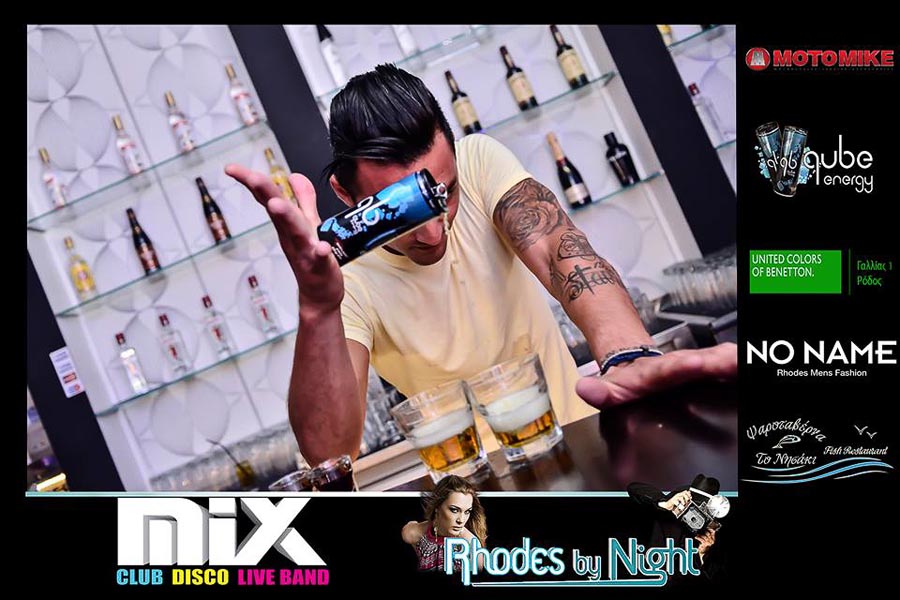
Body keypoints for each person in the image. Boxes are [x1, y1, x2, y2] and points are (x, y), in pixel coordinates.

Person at [225, 64, 737, 465]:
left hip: (586, 446)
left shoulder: (477, 162)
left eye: (443, 195)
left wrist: (627, 356)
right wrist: (317, 308)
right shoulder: (348, 281)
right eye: (402, 212)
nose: (433, 232)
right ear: (345, 194)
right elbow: (329, 452)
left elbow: (559, 253)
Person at [626, 474, 726, 582]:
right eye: (693, 507)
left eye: (701, 513)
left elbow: (714, 578)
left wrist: (703, 555)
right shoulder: (665, 512)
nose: (695, 516)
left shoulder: (708, 537)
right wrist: (664, 503)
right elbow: (633, 488)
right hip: (646, 578)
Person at [401, 475, 487, 572]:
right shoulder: (412, 533)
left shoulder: (471, 543)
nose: (461, 520)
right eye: (454, 510)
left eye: (467, 512)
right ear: (437, 507)